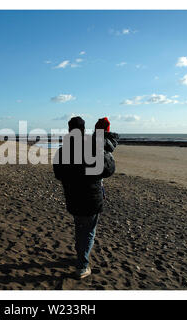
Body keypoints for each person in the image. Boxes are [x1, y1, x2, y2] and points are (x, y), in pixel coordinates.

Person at [53, 116, 116, 279]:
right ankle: (82, 265)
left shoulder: (62, 151)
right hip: (91, 197)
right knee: (87, 231)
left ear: (69, 130)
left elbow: (58, 174)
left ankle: (81, 257)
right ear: (83, 130)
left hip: (73, 196)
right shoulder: (92, 148)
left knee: (80, 228)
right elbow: (109, 170)